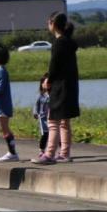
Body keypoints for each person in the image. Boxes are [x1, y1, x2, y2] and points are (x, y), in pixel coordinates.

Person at [31, 12, 79, 164]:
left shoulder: (59, 43)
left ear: (52, 23)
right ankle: (64, 153)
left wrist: (48, 80)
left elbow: (54, 66)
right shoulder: (69, 42)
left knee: (53, 121)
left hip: (59, 86)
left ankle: (49, 154)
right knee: (64, 122)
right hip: (70, 85)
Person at [33, 75, 51, 153]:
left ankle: (61, 151)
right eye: (45, 83)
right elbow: (36, 105)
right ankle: (42, 150)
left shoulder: (53, 95)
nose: (47, 84)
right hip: (43, 118)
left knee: (56, 134)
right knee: (45, 134)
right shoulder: (40, 96)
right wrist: (35, 113)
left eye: (49, 83)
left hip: (52, 117)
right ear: (42, 84)